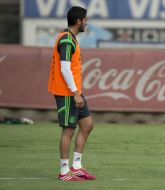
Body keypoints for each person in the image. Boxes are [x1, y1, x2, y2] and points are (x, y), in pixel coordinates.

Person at [48, 6, 96, 181]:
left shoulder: (71, 39)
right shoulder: (67, 40)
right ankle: (63, 171)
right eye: (85, 19)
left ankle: (76, 167)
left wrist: (78, 92)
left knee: (87, 124)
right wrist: (75, 92)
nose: (87, 22)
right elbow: (65, 68)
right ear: (78, 21)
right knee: (68, 130)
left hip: (75, 92)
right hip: (67, 93)